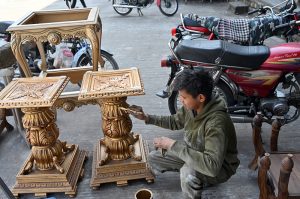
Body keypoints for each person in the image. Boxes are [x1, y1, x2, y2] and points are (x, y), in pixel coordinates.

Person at [129, 68, 240, 199]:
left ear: (201, 97)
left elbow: (212, 166)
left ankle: (199, 180)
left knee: (187, 174)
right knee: (154, 158)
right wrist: (147, 117)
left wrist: (172, 145)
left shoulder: (216, 123)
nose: (181, 100)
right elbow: (175, 121)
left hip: (219, 168)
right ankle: (197, 177)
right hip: (195, 152)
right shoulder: (192, 107)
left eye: (184, 97)